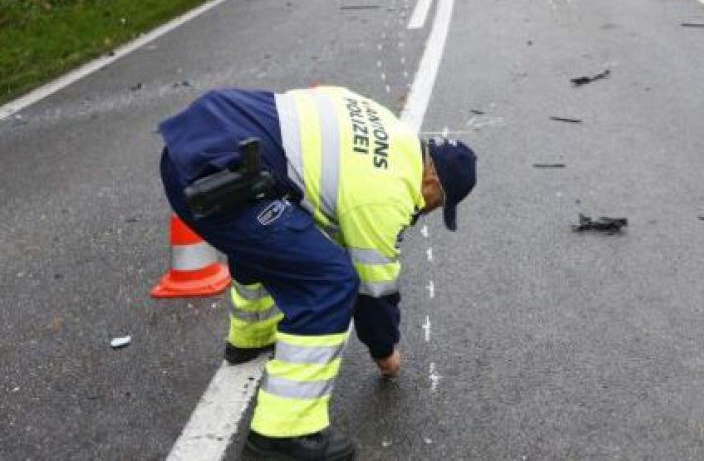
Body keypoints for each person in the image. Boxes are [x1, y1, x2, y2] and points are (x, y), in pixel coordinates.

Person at [158, 87, 477, 460]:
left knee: (280, 240)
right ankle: (282, 435)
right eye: (436, 204)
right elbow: (374, 290)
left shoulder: (386, 125)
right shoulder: (390, 191)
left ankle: (251, 336)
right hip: (215, 179)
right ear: (431, 182)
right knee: (330, 280)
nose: (426, 211)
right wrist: (384, 350)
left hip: (194, 145)